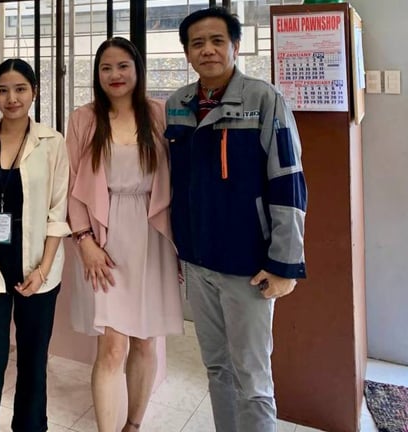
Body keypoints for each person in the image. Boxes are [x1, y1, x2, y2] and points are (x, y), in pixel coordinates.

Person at [166, 7, 307, 431]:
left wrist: (284, 264)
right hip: (198, 262)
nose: (207, 50)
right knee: (217, 368)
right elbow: (175, 185)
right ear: (187, 53)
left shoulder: (264, 99)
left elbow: (289, 180)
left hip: (248, 267)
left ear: (235, 46)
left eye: (217, 41)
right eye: (197, 43)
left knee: (253, 378)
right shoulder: (177, 105)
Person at [66, 37, 183, 431]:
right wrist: (84, 240)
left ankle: (132, 425)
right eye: (106, 68)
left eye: (122, 66)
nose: (114, 75)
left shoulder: (159, 113)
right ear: (96, 75)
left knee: (146, 341)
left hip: (152, 234)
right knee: (112, 346)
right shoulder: (84, 118)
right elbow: (71, 185)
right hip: (104, 237)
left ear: (137, 70)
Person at [0, 58, 71, 432]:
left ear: (33, 92)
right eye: (3, 90)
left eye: (20, 89)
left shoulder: (52, 142)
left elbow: (58, 210)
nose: (12, 98)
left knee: (33, 362)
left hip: (38, 268)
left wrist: (44, 269)